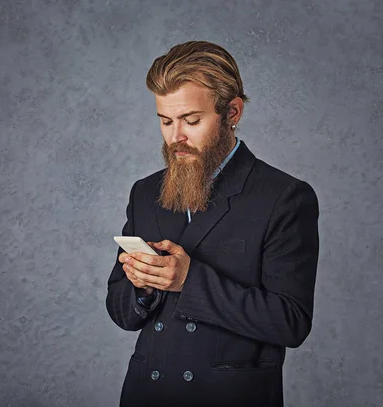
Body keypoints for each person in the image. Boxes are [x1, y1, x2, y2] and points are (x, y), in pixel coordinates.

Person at [105, 40, 320, 407]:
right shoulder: (144, 192)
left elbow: (291, 322)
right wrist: (143, 287)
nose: (176, 138)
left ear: (232, 112)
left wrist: (188, 280)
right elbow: (121, 311)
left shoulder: (284, 196)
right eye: (166, 121)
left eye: (191, 120)